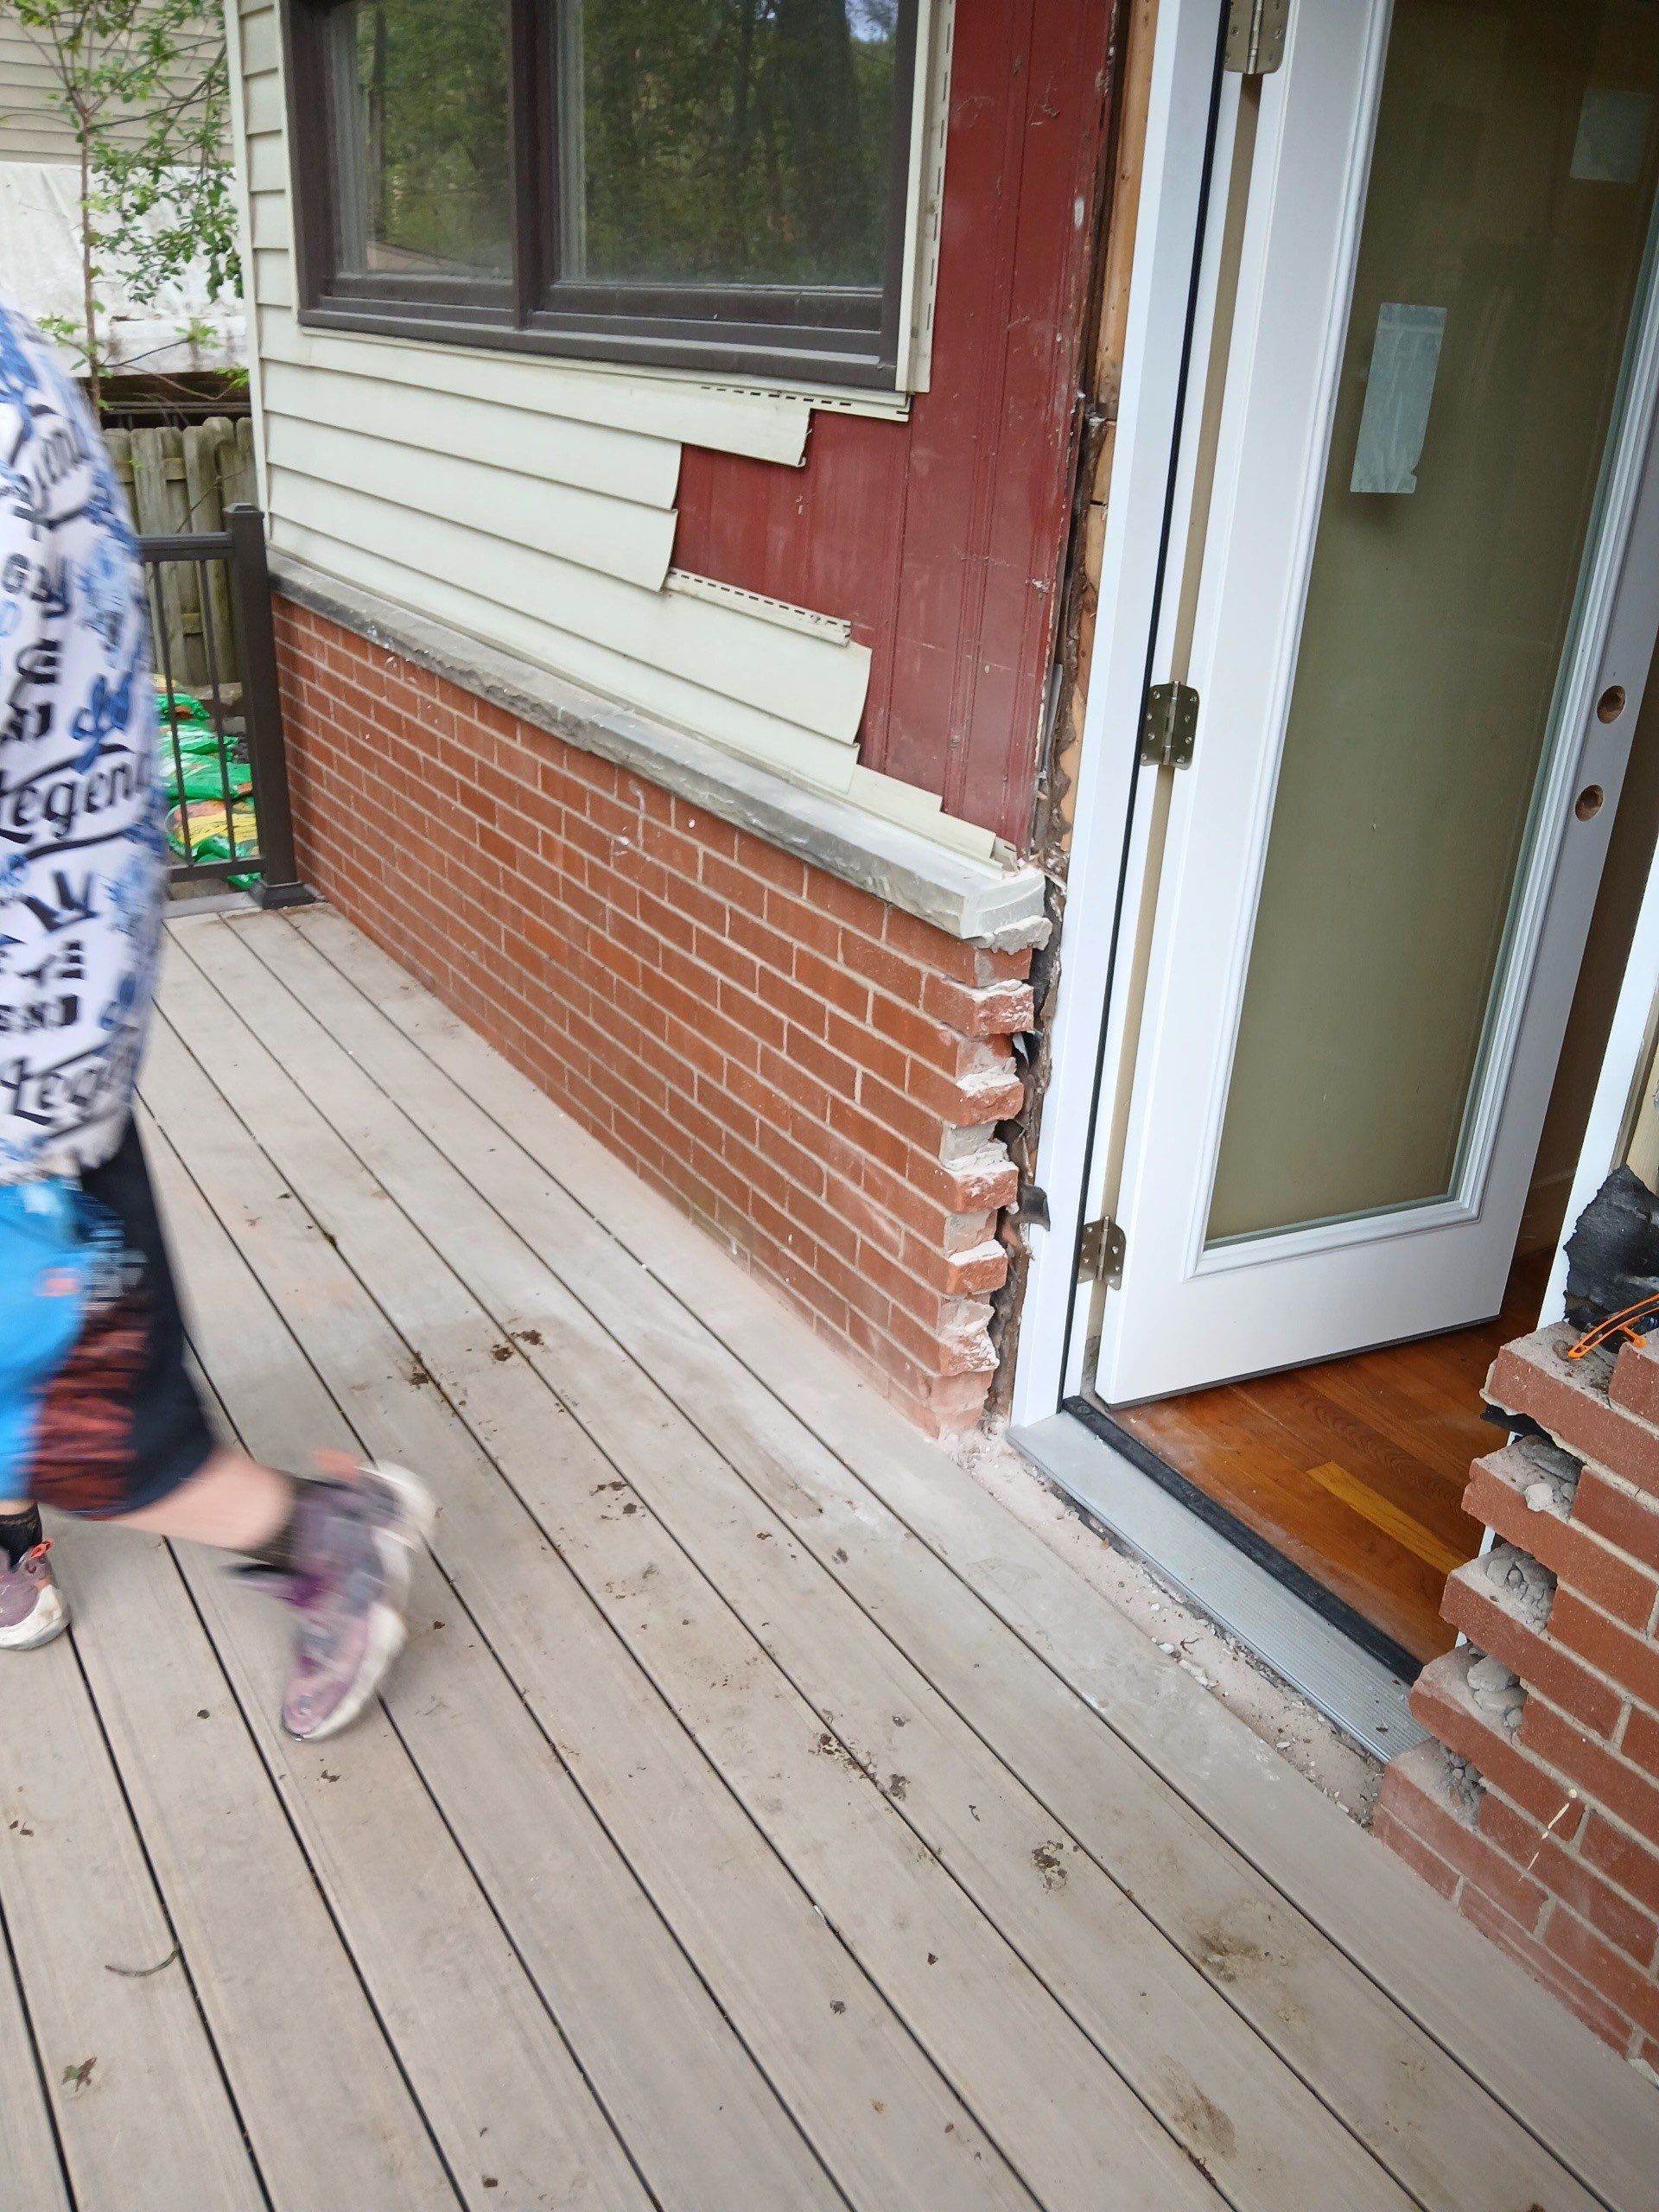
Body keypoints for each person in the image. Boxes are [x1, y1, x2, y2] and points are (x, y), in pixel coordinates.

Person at [0, 296, 430, 1739]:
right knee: (42, 1364)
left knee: (98, 1422)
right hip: (54, 997)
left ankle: (327, 1533)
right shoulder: (18, 366)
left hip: (21, 1044)